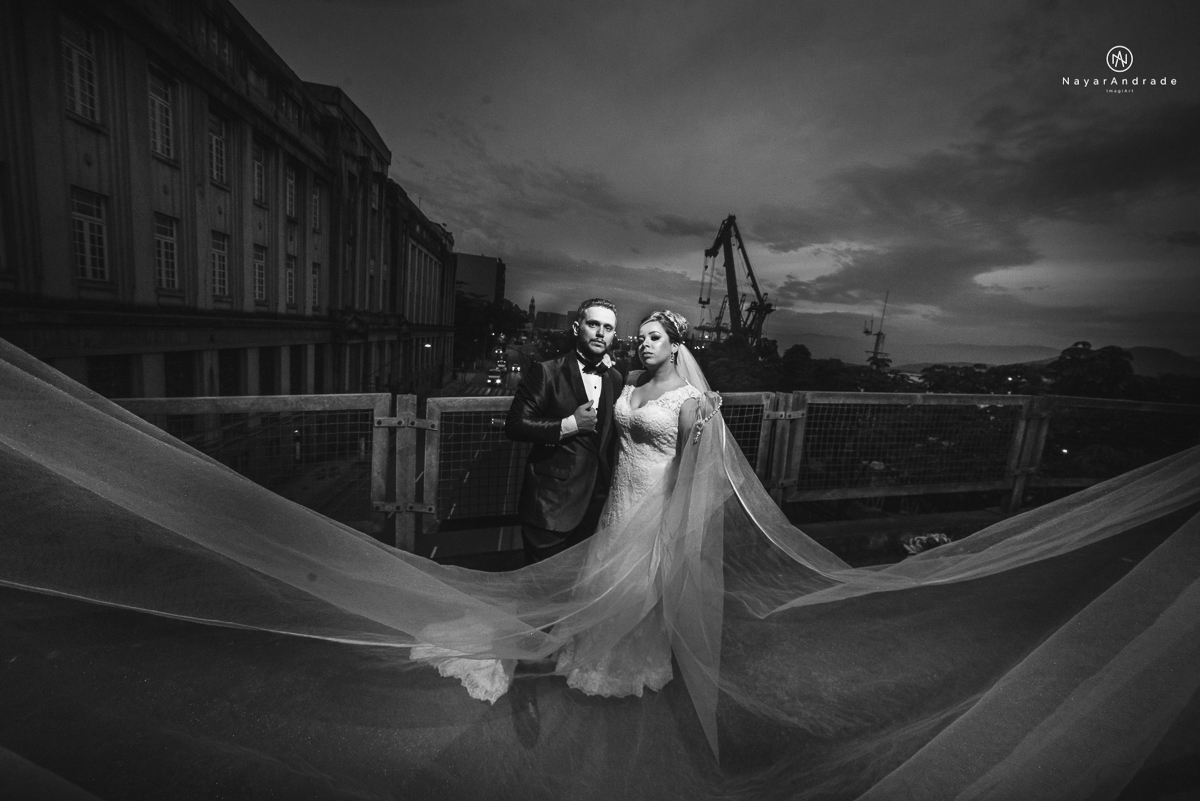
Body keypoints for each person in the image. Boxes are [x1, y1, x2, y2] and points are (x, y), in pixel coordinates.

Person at [504, 298, 624, 565]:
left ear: (614, 335)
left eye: (608, 327)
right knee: (540, 593)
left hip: (595, 507)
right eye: (593, 324)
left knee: (576, 590)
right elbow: (514, 425)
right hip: (550, 508)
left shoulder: (615, 378)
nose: (600, 332)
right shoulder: (546, 372)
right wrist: (569, 424)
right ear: (576, 327)